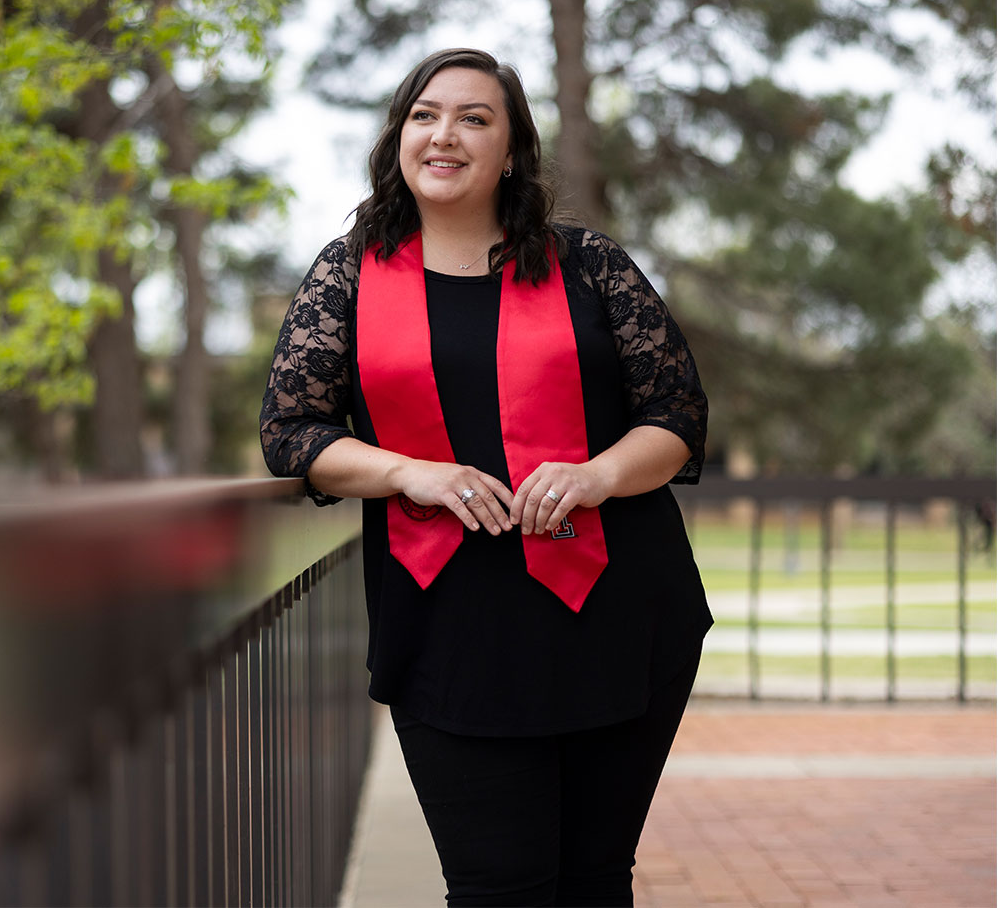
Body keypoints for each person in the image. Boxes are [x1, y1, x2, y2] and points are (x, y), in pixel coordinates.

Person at [259, 49, 712, 907]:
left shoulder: (589, 264)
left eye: (475, 117)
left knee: (591, 880)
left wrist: (599, 474)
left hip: (617, 607)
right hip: (447, 620)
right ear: (400, 135)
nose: (445, 134)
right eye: (426, 114)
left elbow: (677, 415)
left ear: (512, 150)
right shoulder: (350, 271)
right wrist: (407, 471)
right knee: (494, 884)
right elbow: (291, 430)